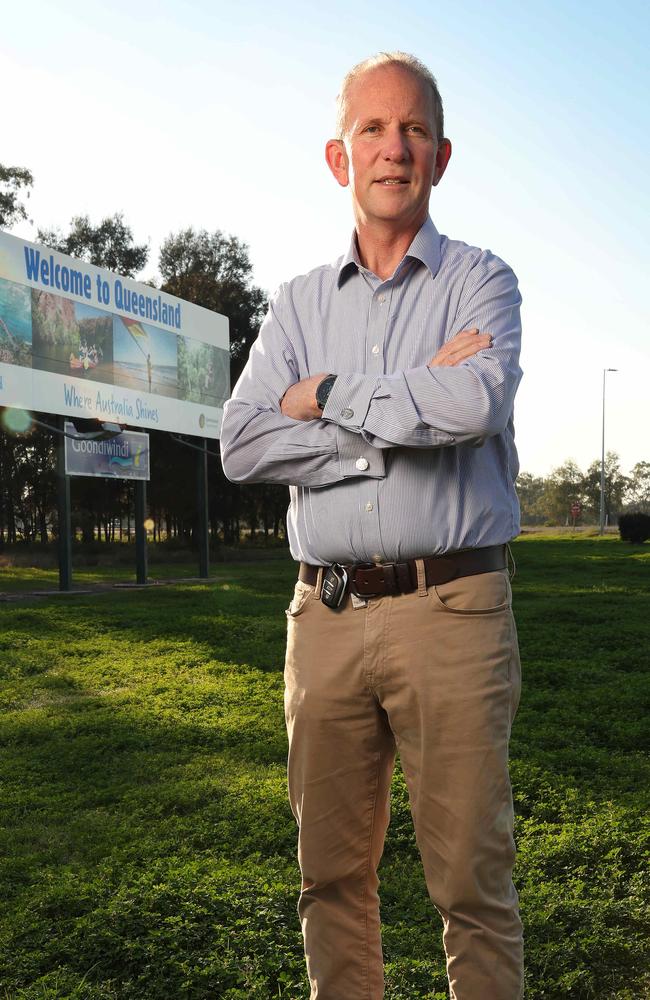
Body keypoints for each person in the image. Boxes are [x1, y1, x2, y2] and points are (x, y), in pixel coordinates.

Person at [220, 51, 523, 1000]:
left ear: (441, 155)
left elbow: (471, 401)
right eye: (373, 130)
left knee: (471, 883)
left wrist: (333, 396)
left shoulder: (483, 282)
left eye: (413, 131)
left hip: (453, 607)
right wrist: (394, 426)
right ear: (337, 156)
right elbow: (242, 444)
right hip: (326, 615)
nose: (394, 149)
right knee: (330, 879)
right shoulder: (298, 304)